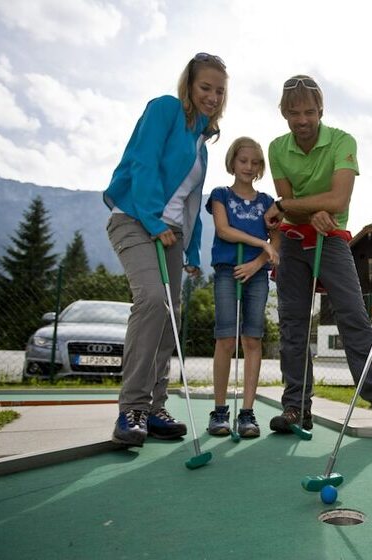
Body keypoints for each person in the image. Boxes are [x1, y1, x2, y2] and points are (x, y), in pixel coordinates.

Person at [263, 75, 372, 433]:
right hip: (291, 240)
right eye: (293, 113)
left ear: (320, 110)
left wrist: (294, 207)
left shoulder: (341, 141)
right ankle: (295, 409)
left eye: (308, 112)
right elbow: (288, 208)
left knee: (353, 316)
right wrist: (303, 210)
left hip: (332, 238)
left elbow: (336, 201)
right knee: (293, 325)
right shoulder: (277, 148)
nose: (301, 120)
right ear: (283, 113)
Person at [104, 52, 228, 447]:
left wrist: (192, 250)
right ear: (189, 87)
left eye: (219, 91)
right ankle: (132, 409)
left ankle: (156, 408)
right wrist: (154, 222)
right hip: (135, 219)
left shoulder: (202, 146)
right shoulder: (164, 109)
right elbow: (142, 163)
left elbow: (191, 202)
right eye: (205, 87)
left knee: (170, 316)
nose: (212, 96)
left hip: (171, 233)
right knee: (153, 301)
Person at [205, 137, 280, 438]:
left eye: (255, 162)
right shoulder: (220, 194)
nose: (248, 167)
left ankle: (247, 413)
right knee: (225, 339)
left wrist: (258, 261)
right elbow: (224, 230)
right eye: (243, 161)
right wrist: (259, 241)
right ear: (233, 162)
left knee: (252, 339)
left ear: (261, 167)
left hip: (256, 274)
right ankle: (220, 411)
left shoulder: (267, 203)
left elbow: (278, 241)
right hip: (227, 271)